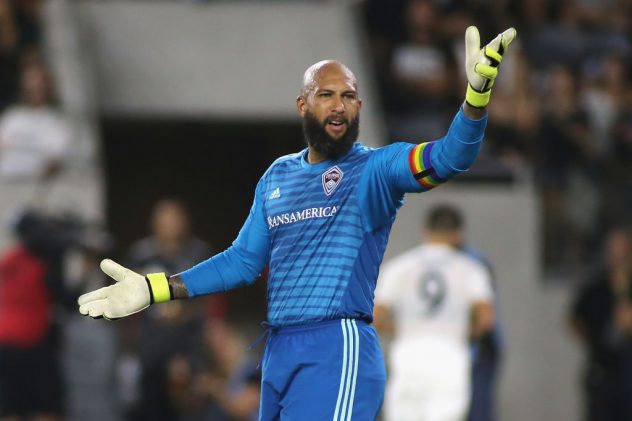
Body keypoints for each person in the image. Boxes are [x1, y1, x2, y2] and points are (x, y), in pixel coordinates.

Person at [79, 26, 516, 420]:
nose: (338, 105)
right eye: (326, 94)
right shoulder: (277, 176)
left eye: (348, 95)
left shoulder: (376, 171)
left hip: (337, 347)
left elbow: (449, 157)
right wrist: (153, 288)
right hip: (280, 351)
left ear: (360, 106)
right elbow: (242, 262)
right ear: (302, 104)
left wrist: (475, 98)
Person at [373, 205, 494, 421]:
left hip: (408, 354)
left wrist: (402, 330)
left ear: (425, 231)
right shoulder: (471, 269)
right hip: (450, 355)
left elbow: (375, 317)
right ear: (458, 235)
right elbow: (485, 320)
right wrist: (461, 334)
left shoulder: (399, 267)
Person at [568, 227, 632, 421]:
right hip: (602, 371)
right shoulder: (596, 286)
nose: (615, 255)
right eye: (611, 249)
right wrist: (593, 341)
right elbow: (574, 319)